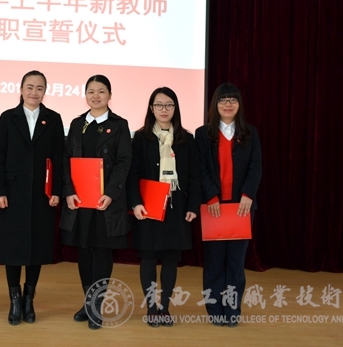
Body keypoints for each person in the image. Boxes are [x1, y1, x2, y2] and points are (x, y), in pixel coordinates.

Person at [0, 70, 65, 325]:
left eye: (39, 88)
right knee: (13, 248)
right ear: (21, 89)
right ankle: (14, 299)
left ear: (45, 91)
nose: (34, 92)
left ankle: (28, 298)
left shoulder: (53, 119)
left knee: (37, 247)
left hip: (42, 195)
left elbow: (59, 158)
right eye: (30, 87)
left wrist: (56, 191)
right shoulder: (7, 117)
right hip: (12, 194)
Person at [60, 74, 132, 330]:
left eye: (101, 91)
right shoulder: (77, 123)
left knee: (101, 251)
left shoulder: (119, 125)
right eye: (91, 91)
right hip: (80, 201)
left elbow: (124, 162)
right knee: (83, 251)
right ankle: (88, 302)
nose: (96, 96)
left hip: (105, 202)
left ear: (110, 95)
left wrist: (110, 193)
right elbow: (66, 159)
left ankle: (97, 305)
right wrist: (68, 191)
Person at [127, 87, 201, 327]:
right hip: (149, 205)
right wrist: (135, 203)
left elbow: (194, 176)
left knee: (170, 258)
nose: (164, 109)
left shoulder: (186, 139)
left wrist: (193, 206)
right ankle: (151, 308)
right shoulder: (141, 138)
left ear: (175, 108)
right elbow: (132, 174)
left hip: (176, 206)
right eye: (159, 105)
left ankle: (165, 308)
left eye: (169, 105)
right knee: (148, 258)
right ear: (151, 108)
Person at [195, 83, 262, 327]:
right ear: (215, 104)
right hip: (213, 208)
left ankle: (232, 310)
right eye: (223, 100)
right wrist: (211, 196)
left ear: (239, 104)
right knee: (214, 263)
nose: (228, 104)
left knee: (235, 263)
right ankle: (214, 310)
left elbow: (256, 166)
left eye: (233, 100)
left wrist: (248, 194)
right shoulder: (203, 134)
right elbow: (200, 168)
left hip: (241, 208)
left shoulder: (250, 133)